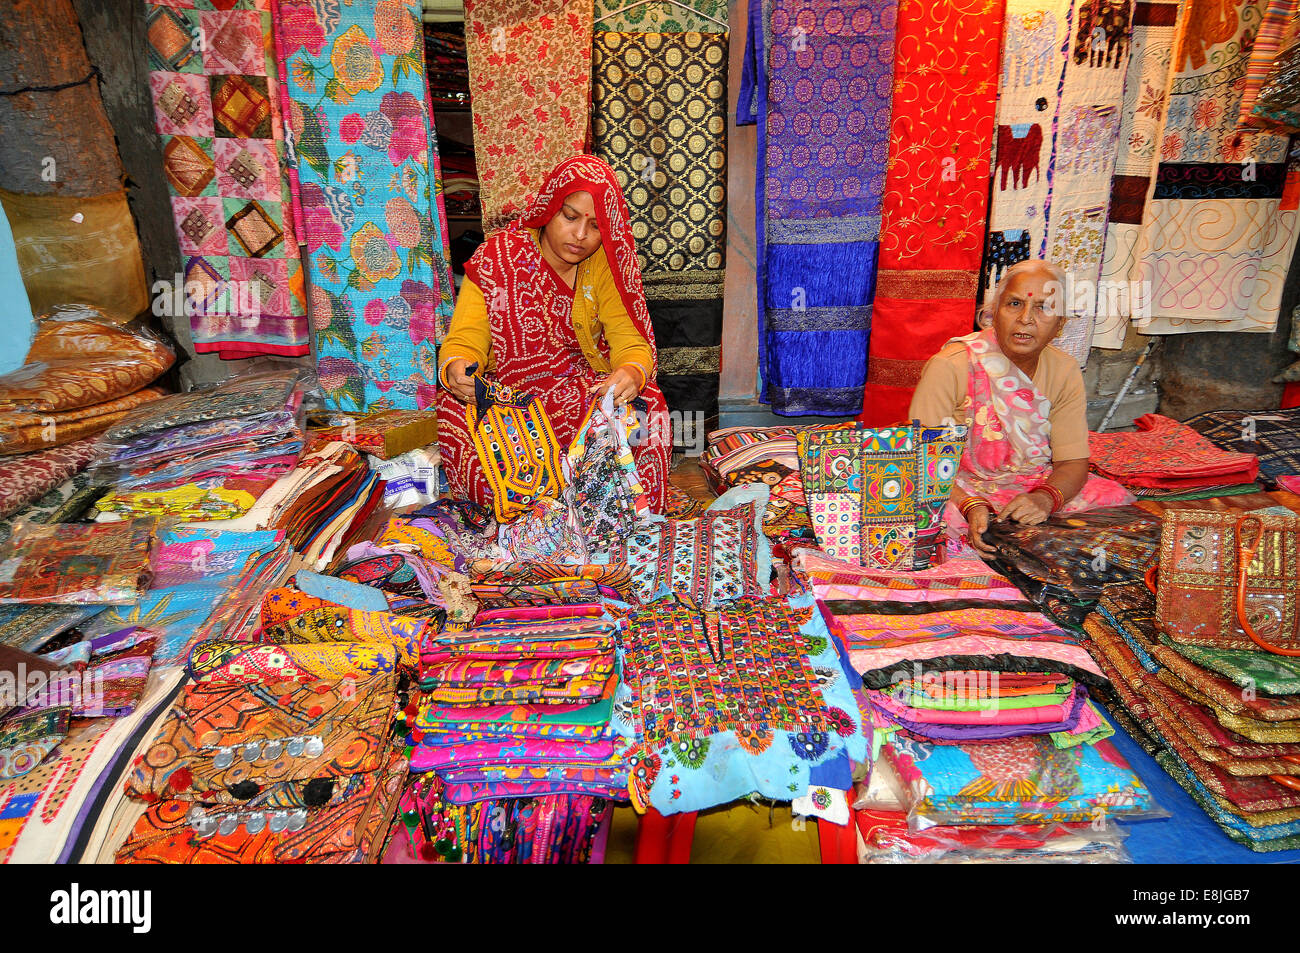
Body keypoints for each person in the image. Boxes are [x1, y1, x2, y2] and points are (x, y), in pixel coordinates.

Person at [436, 155, 672, 513]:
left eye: (595, 225)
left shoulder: (605, 266)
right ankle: (528, 521)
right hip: (508, 399)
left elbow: (630, 340)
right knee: (455, 410)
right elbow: (466, 336)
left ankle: (629, 520)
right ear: (548, 209)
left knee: (646, 406)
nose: (580, 235)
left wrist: (631, 372)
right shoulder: (497, 258)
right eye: (571, 216)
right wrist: (458, 366)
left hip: (580, 390)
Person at [908, 258, 1131, 555]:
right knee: (922, 518)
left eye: (1043, 308)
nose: (1026, 318)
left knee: (1113, 502)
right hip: (957, 488)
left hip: (1029, 485)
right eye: (1014, 304)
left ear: (1060, 324)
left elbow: (1072, 462)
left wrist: (1045, 499)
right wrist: (970, 505)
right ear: (993, 314)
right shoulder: (951, 366)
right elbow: (920, 459)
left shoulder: (1064, 370)